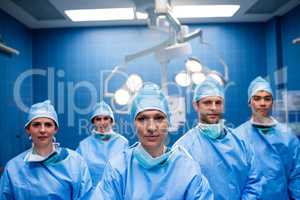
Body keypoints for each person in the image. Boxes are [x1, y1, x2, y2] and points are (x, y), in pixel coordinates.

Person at [90, 83, 213, 200]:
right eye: (142, 119)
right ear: (133, 124)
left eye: (159, 118)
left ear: (168, 121)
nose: (151, 127)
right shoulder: (118, 170)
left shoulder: (187, 170)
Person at [174, 77, 262, 199]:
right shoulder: (183, 148)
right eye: (207, 102)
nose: (214, 108)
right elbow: (179, 190)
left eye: (218, 102)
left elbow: (254, 181)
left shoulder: (241, 142)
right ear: (196, 105)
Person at [0, 100, 92, 200]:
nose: (42, 130)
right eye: (36, 125)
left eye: (48, 125)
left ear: (55, 129)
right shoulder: (13, 168)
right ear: (28, 130)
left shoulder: (75, 163)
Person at [234, 76, 300, 199]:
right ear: (249, 102)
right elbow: (233, 177)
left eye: (267, 99)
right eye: (257, 98)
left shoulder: (286, 136)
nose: (262, 103)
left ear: (272, 102)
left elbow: (296, 174)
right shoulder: (237, 136)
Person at [77, 101, 128, 187]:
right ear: (93, 122)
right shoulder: (84, 145)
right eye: (98, 119)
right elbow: (76, 172)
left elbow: (127, 173)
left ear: (111, 121)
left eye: (105, 118)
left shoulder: (122, 143)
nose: (102, 122)